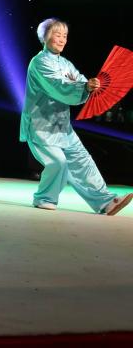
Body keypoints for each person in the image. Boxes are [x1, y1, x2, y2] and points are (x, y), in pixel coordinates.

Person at [20, 18, 132, 215]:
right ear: (45, 37)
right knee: (58, 162)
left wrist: (91, 85)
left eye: (65, 36)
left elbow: (79, 81)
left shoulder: (66, 64)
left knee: (83, 161)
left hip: (62, 126)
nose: (62, 39)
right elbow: (57, 86)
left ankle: (106, 201)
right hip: (40, 125)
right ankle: (44, 198)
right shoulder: (39, 63)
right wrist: (83, 87)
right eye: (57, 35)